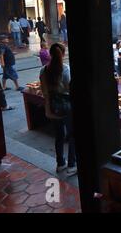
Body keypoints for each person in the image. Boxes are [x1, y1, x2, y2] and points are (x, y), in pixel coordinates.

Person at [39, 43, 76, 175]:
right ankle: (72, 165)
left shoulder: (43, 70)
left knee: (59, 135)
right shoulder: (66, 69)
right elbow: (69, 89)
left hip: (53, 107)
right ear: (63, 54)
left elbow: (45, 93)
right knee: (73, 135)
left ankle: (60, 164)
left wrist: (48, 109)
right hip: (66, 107)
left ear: (50, 54)